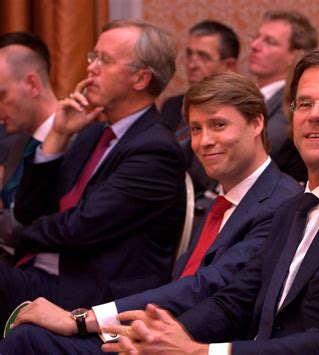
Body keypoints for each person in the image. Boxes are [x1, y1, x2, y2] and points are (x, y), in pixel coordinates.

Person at [100, 49, 319, 354]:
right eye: (304, 104)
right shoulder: (293, 208)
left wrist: (201, 352)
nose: (314, 115)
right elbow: (236, 301)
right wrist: (165, 335)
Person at [0, 73, 302, 353]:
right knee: (29, 334)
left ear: (257, 123)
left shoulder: (280, 202)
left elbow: (210, 288)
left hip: (198, 343)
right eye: (196, 128)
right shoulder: (223, 199)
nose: (204, 141)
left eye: (218, 125)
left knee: (29, 339)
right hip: (153, 326)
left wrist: (86, 320)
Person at [0, 19, 187, 330]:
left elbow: (77, 227)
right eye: (93, 57)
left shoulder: (155, 151)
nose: (91, 69)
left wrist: (21, 232)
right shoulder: (92, 133)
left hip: (85, 294)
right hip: (44, 272)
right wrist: (57, 137)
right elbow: (29, 209)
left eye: (105, 60)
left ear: (140, 79)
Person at [162, 20, 240, 197]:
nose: (192, 64)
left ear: (229, 66)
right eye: (189, 55)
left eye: (203, 57)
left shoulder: (235, 114)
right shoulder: (171, 106)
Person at [0, 32, 57, 247]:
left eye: (1, 96)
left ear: (32, 85)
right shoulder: (19, 144)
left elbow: (24, 226)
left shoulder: (77, 140)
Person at [250, 10, 317, 182]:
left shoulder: (293, 105)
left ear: (293, 56)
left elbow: (258, 153)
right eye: (256, 37)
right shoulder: (245, 94)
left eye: (270, 42)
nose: (255, 45)